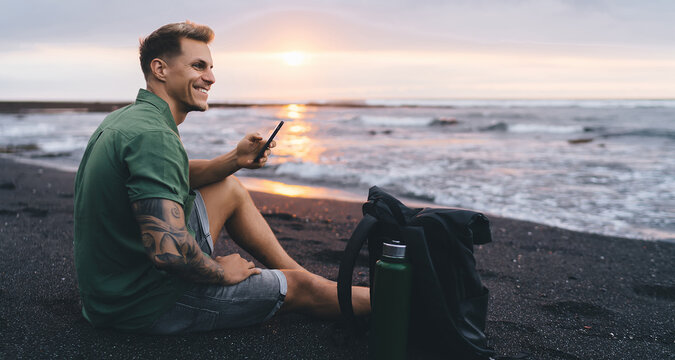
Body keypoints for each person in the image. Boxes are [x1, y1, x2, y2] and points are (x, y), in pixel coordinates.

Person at [73, 21, 370, 334]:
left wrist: (235, 159)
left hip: (108, 293)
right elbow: (169, 250)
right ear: (160, 69)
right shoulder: (153, 136)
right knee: (299, 287)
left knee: (228, 187)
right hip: (143, 304)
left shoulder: (128, 118)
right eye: (198, 66)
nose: (211, 78)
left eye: (211, 67)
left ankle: (304, 276)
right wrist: (219, 270)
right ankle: (402, 303)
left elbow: (174, 176)